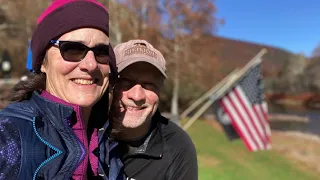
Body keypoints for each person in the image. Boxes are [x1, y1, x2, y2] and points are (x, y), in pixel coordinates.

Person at [0, 0, 124, 179]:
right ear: (43, 61)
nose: (90, 64)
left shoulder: (113, 143)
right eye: (72, 49)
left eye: (101, 52)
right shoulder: (8, 134)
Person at [110, 39, 198, 180]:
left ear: (160, 90)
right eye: (125, 82)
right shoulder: (85, 130)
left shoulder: (178, 147)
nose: (137, 96)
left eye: (148, 85)